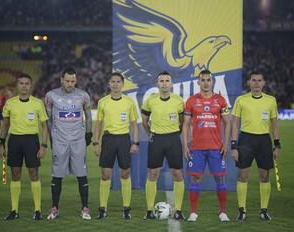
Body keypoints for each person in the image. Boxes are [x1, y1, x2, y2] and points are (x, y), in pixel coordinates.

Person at [231, 71, 281, 221]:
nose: (257, 83)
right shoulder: (241, 100)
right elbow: (234, 124)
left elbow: (274, 124)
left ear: (264, 83)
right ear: (249, 83)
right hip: (245, 140)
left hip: (264, 141)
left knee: (265, 177)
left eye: (259, 80)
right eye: (254, 80)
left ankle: (264, 211)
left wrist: (277, 144)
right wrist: (234, 146)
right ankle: (242, 211)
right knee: (243, 176)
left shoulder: (271, 100)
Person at [182, 70, 230, 222]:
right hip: (197, 148)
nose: (206, 83)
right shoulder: (191, 101)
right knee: (195, 178)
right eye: (203, 80)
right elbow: (185, 125)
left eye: (208, 80)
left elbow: (228, 123)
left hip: (216, 147)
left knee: (220, 180)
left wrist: (226, 144)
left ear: (212, 82)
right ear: (198, 82)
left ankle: (223, 212)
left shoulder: (220, 101)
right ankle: (193, 212)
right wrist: (185, 145)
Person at [45, 67, 93, 220]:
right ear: (61, 80)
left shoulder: (83, 96)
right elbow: (49, 120)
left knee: (82, 175)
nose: (70, 84)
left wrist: (88, 134)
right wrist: (52, 139)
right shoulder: (51, 96)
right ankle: (54, 208)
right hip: (60, 141)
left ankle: (85, 208)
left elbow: (89, 116)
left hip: (78, 141)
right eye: (67, 81)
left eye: (73, 81)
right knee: (57, 175)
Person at [0, 74, 48, 220]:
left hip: (32, 140)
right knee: (15, 174)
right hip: (14, 140)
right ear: (17, 85)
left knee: (34, 173)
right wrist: (1, 143)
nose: (24, 86)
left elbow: (45, 126)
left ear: (31, 86)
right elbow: (5, 125)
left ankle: (37, 210)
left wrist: (44, 145)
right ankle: (14, 210)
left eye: (27, 83)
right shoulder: (10, 103)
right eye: (21, 83)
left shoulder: (38, 103)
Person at [93, 72, 139, 220]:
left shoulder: (129, 102)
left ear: (122, 84)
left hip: (124, 140)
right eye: (112, 81)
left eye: (118, 81)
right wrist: (96, 142)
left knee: (125, 174)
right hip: (108, 139)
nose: (115, 84)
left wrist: (135, 142)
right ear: (109, 84)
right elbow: (98, 124)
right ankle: (102, 209)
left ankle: (126, 208)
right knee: (105, 175)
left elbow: (134, 125)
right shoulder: (103, 102)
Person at [141, 71, 185, 221]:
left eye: (167, 80)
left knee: (177, 174)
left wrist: (175, 134)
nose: (164, 83)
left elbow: (182, 121)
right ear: (157, 84)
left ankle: (178, 210)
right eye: (162, 81)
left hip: (173, 139)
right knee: (153, 174)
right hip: (156, 139)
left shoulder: (179, 101)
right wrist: (151, 135)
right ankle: (149, 211)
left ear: (171, 84)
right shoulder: (150, 101)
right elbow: (145, 121)